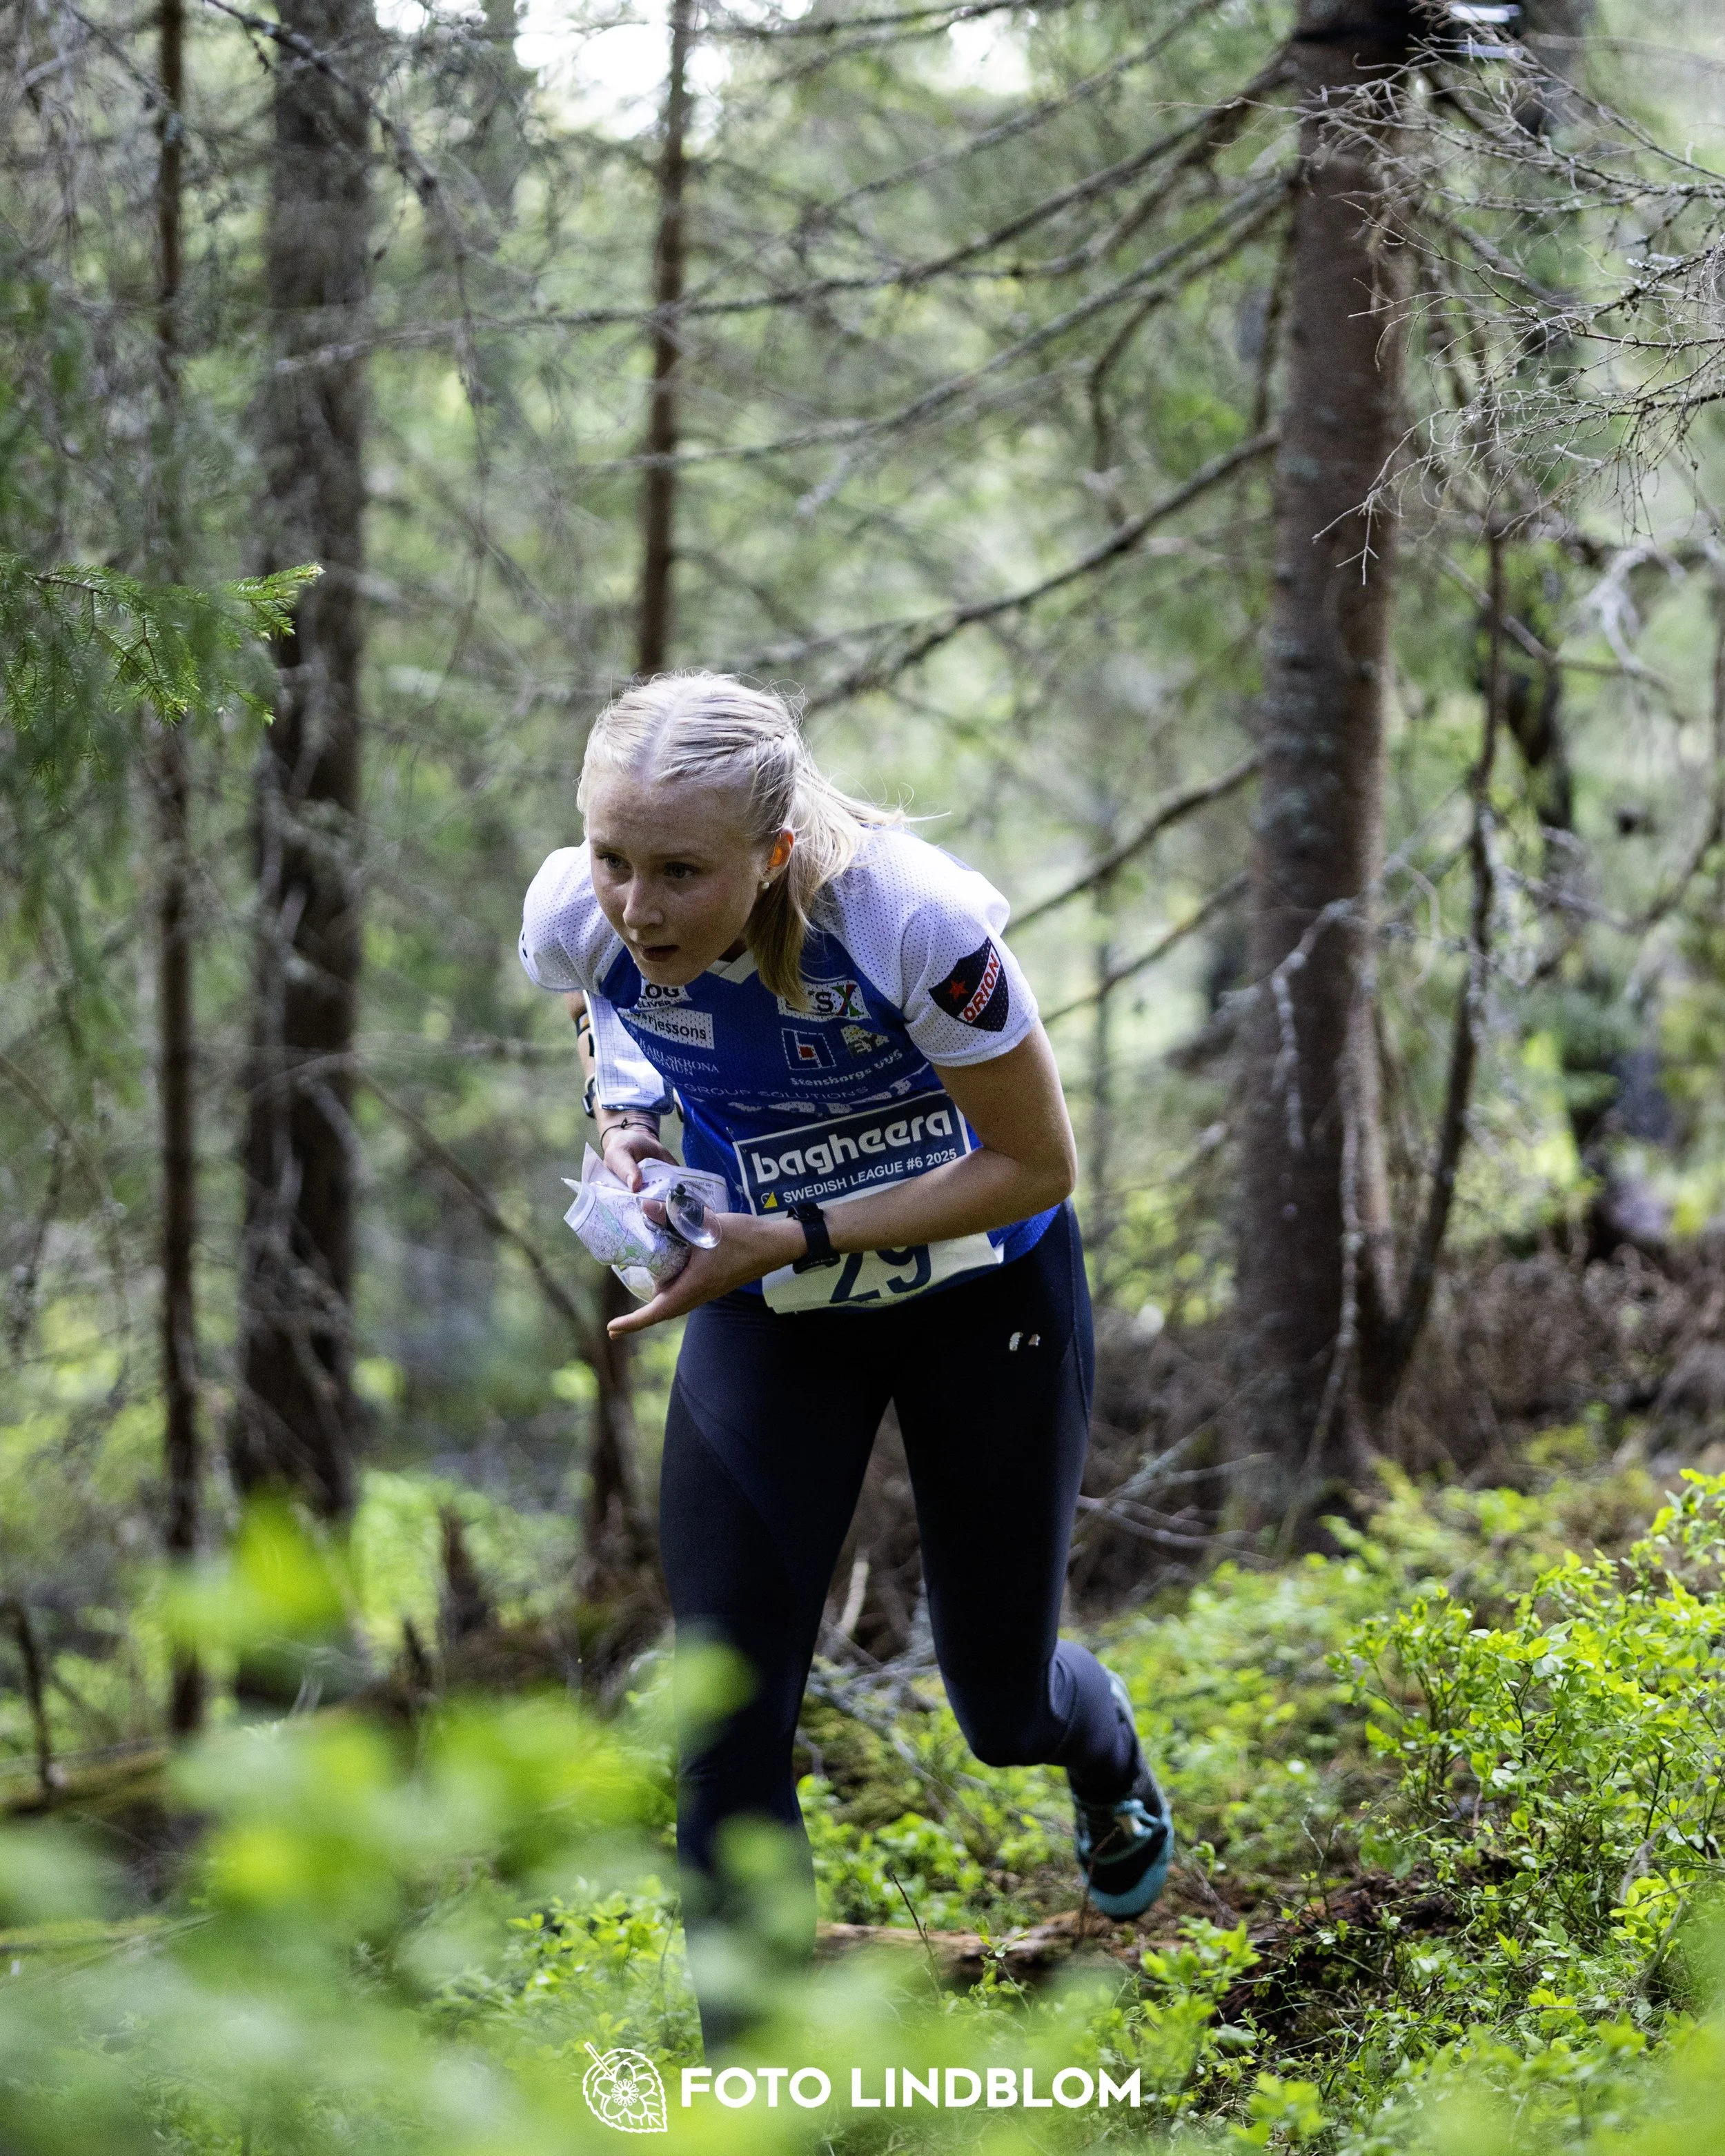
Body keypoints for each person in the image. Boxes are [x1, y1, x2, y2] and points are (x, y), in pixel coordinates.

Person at [518, 672, 1172, 2046]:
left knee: (998, 1703)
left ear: (770, 857)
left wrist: (792, 1227)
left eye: (680, 872)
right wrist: (629, 1124)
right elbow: (609, 1015)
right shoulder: (576, 919)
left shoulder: (909, 924)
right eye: (611, 857)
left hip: (980, 1288)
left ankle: (1098, 1740)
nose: (637, 905)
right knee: (726, 1717)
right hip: (770, 1297)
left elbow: (1034, 1161)